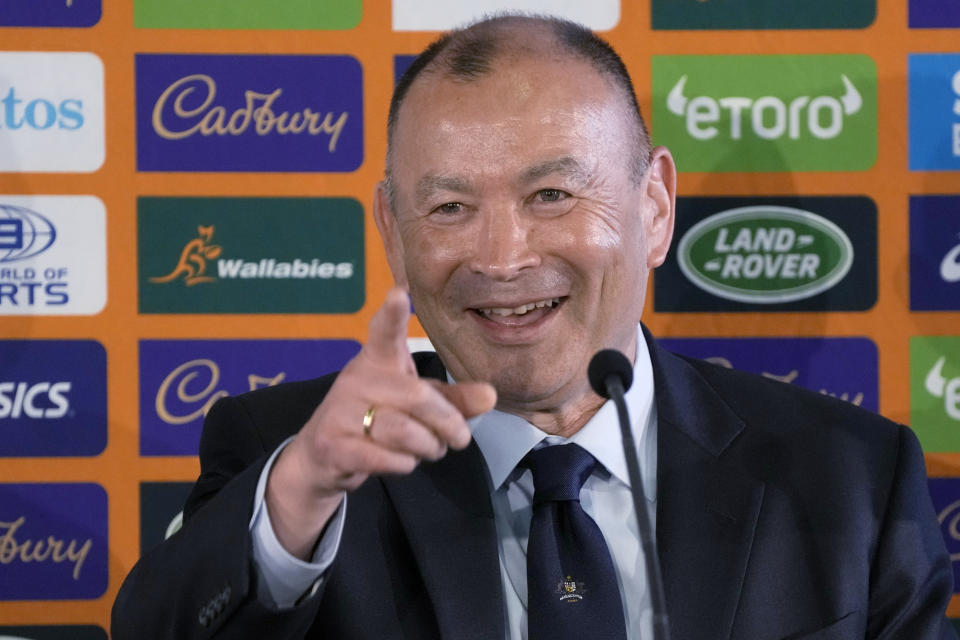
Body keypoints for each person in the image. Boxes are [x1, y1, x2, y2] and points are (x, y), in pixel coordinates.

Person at [112, 14, 957, 640]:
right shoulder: (288, 457)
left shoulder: (853, 480)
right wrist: (299, 493)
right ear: (393, 237)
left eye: (551, 195)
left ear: (654, 207)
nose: (503, 256)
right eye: (449, 207)